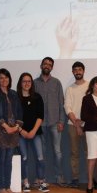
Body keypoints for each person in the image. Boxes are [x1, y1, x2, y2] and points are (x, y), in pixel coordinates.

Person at [0, 68, 24, 193]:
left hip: (13, 131)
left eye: (6, 77)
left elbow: (19, 111)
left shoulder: (14, 93)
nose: (4, 80)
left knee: (9, 160)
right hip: (0, 131)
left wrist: (16, 127)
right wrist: (5, 126)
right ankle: (2, 188)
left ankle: (8, 187)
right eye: (1, 78)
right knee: (1, 159)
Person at [34, 57, 66, 185]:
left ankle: (59, 176)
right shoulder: (35, 83)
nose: (47, 66)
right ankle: (41, 178)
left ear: (52, 67)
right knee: (41, 153)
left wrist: (61, 121)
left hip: (54, 122)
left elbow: (61, 102)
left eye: (49, 64)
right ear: (41, 66)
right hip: (40, 123)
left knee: (57, 152)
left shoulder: (57, 82)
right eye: (45, 64)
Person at [17, 72, 49, 193]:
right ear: (20, 83)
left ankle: (41, 181)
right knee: (24, 158)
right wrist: (22, 131)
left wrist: (33, 131)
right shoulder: (16, 98)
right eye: (24, 81)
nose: (27, 83)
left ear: (32, 83)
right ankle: (25, 182)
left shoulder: (37, 97)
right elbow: (13, 117)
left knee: (40, 158)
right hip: (20, 133)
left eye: (29, 81)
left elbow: (40, 116)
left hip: (36, 132)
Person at [64, 61, 89, 188]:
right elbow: (67, 107)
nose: (78, 72)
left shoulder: (90, 86)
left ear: (83, 71)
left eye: (80, 69)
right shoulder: (69, 89)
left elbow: (92, 106)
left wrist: (83, 122)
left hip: (88, 124)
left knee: (89, 152)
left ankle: (90, 178)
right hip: (72, 124)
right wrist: (77, 124)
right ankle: (75, 178)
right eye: (75, 70)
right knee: (74, 153)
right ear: (73, 72)